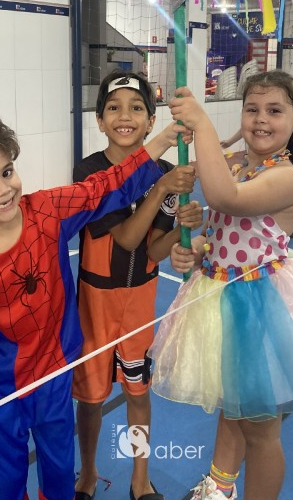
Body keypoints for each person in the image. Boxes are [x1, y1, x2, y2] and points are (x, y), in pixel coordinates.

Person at [0, 110, 191, 500]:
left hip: (55, 374)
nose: (3, 190)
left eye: (7, 172)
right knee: (5, 481)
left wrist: (161, 140)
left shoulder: (47, 211)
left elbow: (104, 186)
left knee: (60, 471)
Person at [149, 70, 293, 500]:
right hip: (219, 298)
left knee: (260, 430)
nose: (261, 119)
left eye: (274, 111)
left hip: (260, 311)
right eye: (252, 109)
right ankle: (220, 486)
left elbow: (227, 199)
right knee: (233, 408)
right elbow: (219, 230)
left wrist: (202, 125)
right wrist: (195, 250)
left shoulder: (289, 178)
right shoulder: (235, 164)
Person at [73, 71, 203, 500]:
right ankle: (88, 473)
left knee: (138, 392)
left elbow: (153, 249)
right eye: (113, 108)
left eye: (136, 108)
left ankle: (139, 478)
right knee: (90, 398)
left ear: (150, 121)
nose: (124, 116)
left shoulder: (166, 172)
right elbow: (127, 238)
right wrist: (161, 187)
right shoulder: (90, 172)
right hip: (95, 303)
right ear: (99, 120)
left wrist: (185, 227)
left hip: (140, 301)